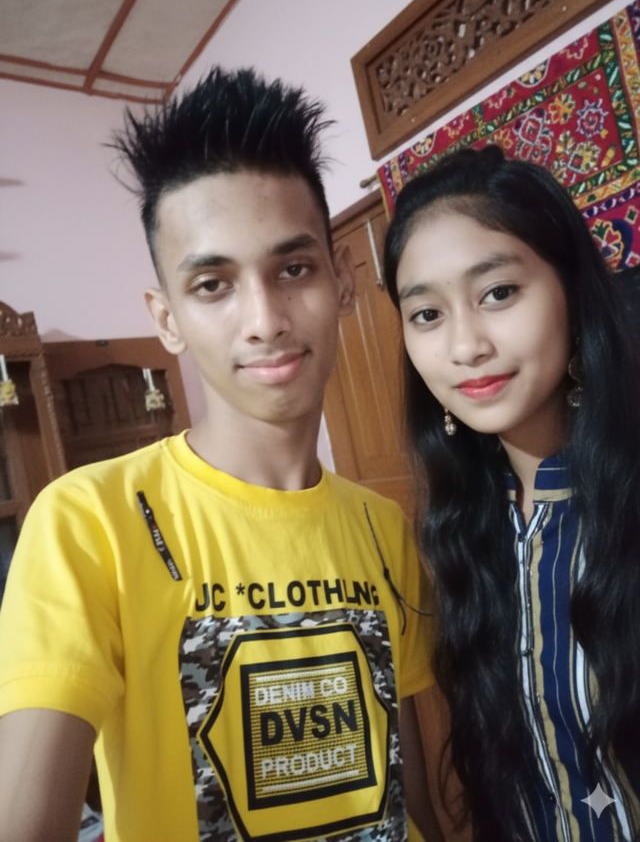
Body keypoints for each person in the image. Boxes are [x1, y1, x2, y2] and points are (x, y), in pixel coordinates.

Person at [0, 68, 441, 842]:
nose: (265, 318)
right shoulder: (89, 522)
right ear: (166, 317)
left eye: (293, 269)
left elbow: (416, 794)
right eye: (213, 284)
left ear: (342, 279)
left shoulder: (384, 528)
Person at [383, 144, 640, 842]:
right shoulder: (465, 530)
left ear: (572, 293)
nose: (465, 345)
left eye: (497, 293)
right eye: (427, 314)